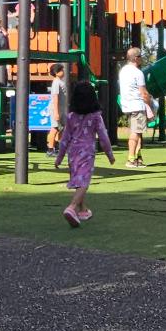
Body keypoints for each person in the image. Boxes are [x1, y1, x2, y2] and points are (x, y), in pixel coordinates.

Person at [52, 79, 114, 227]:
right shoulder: (96, 117)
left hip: (73, 153)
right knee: (84, 182)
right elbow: (103, 137)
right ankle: (72, 207)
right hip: (87, 152)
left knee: (78, 180)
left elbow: (65, 139)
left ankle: (82, 210)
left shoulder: (71, 117)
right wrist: (110, 154)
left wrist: (59, 157)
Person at [118, 48, 153, 168]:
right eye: (140, 56)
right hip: (137, 105)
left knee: (138, 132)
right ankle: (131, 159)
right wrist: (150, 104)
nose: (142, 58)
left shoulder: (123, 71)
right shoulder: (138, 73)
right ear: (136, 58)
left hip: (127, 105)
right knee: (135, 132)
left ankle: (138, 158)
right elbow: (144, 93)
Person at [45, 62, 67, 151]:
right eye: (61, 70)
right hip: (56, 109)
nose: (63, 71)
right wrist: (56, 112)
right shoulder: (56, 83)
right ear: (56, 72)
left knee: (63, 126)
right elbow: (55, 97)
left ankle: (59, 145)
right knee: (55, 127)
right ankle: (50, 148)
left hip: (61, 109)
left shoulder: (60, 82)